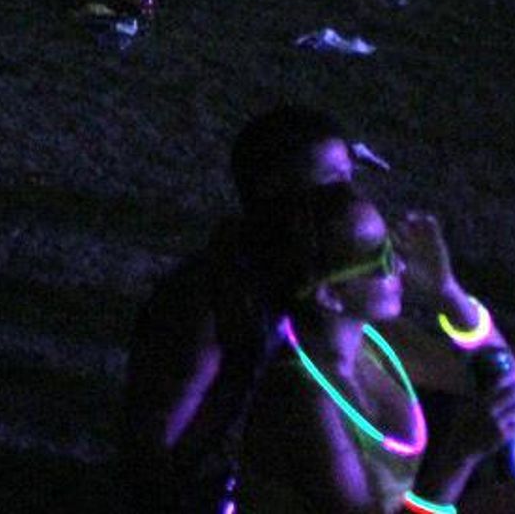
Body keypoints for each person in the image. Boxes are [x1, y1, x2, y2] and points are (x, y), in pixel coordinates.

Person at [237, 182, 515, 513]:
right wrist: (459, 457)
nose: (401, 267)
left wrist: (447, 293)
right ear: (330, 295)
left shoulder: (374, 341)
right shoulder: (305, 400)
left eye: (392, 246)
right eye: (381, 260)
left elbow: (507, 378)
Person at [121, 106, 363, 514]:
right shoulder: (216, 297)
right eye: (333, 181)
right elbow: (160, 439)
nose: (350, 196)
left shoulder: (301, 271)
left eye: (349, 176)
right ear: (273, 189)